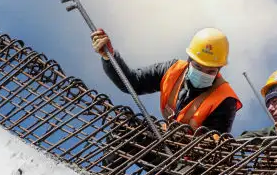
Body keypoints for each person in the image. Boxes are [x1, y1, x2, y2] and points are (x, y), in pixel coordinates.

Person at [90, 26, 241, 135]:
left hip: (191, 166)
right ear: (189, 60)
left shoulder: (225, 100)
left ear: (219, 69)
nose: (202, 73)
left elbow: (212, 150)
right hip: (164, 143)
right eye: (198, 67)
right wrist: (109, 57)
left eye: (210, 71)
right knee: (123, 126)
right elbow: (131, 82)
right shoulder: (172, 70)